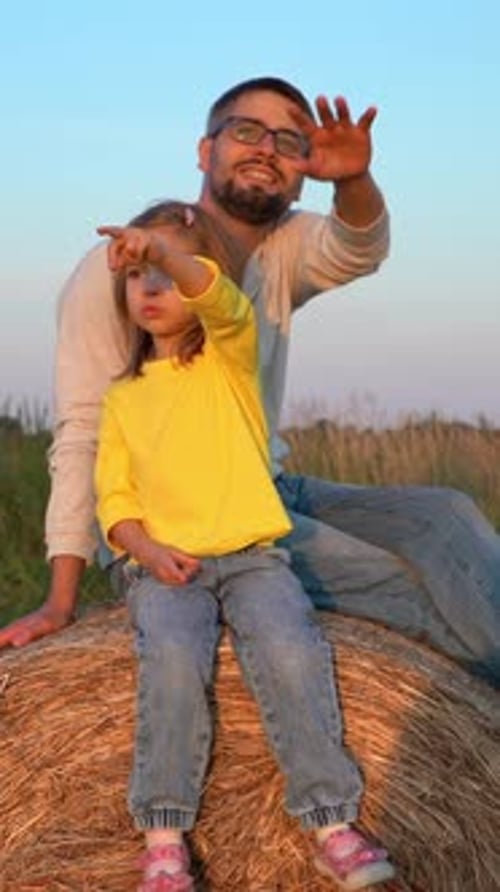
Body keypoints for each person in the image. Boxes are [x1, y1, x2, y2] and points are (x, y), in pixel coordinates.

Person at [1, 76, 499, 688]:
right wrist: (60, 601)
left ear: (301, 171)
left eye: (288, 141)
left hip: (268, 485)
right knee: (394, 585)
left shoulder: (283, 248)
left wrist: (352, 180)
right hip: (174, 514)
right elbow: (83, 432)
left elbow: (359, 246)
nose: (265, 148)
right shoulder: (121, 272)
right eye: (246, 131)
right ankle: (480, 696)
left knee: (444, 514)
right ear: (204, 152)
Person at [94, 200, 395, 891]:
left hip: (254, 557)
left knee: (291, 648)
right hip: (167, 566)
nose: (151, 286)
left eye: (167, 271)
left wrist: (160, 252)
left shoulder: (231, 355)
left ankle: (330, 824)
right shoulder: (123, 400)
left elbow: (220, 301)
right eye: (137, 274)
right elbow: (116, 500)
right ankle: (164, 839)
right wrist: (146, 548)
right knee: (170, 659)